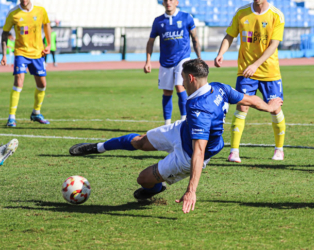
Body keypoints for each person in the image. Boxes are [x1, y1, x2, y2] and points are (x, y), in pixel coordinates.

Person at [69, 59, 283, 214]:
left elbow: (198, 152)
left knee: (143, 179)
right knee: (140, 142)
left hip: (187, 157)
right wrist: (269, 107)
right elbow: (247, 98)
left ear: (190, 78)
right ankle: (97, 147)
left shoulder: (200, 109)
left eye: (182, 78)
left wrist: (191, 190)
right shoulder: (219, 88)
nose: (181, 83)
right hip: (182, 130)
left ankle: (158, 187)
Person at [215, 0, 286, 163]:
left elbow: (274, 45)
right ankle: (234, 152)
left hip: (270, 72)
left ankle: (279, 149)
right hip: (246, 72)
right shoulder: (241, 12)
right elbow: (229, 35)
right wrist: (221, 53)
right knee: (242, 106)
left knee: (275, 108)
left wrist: (255, 65)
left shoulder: (277, 15)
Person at [144, 0, 201, 125]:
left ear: (176, 2)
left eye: (171, 0)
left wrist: (199, 58)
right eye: (166, 0)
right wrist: (148, 61)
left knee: (180, 86)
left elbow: (195, 38)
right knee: (167, 91)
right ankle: (167, 124)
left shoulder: (186, 17)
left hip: (183, 58)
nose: (168, 2)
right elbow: (150, 42)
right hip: (165, 61)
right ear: (163, 3)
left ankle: (184, 120)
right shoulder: (158, 21)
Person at [1, 0, 51, 127]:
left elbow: (47, 25)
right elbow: (5, 33)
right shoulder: (13, 13)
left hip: (38, 53)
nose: (24, 1)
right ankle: (11, 118)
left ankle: (36, 112)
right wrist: (4, 55)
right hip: (21, 52)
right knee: (18, 82)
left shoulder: (40, 11)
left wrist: (49, 44)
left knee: (42, 85)